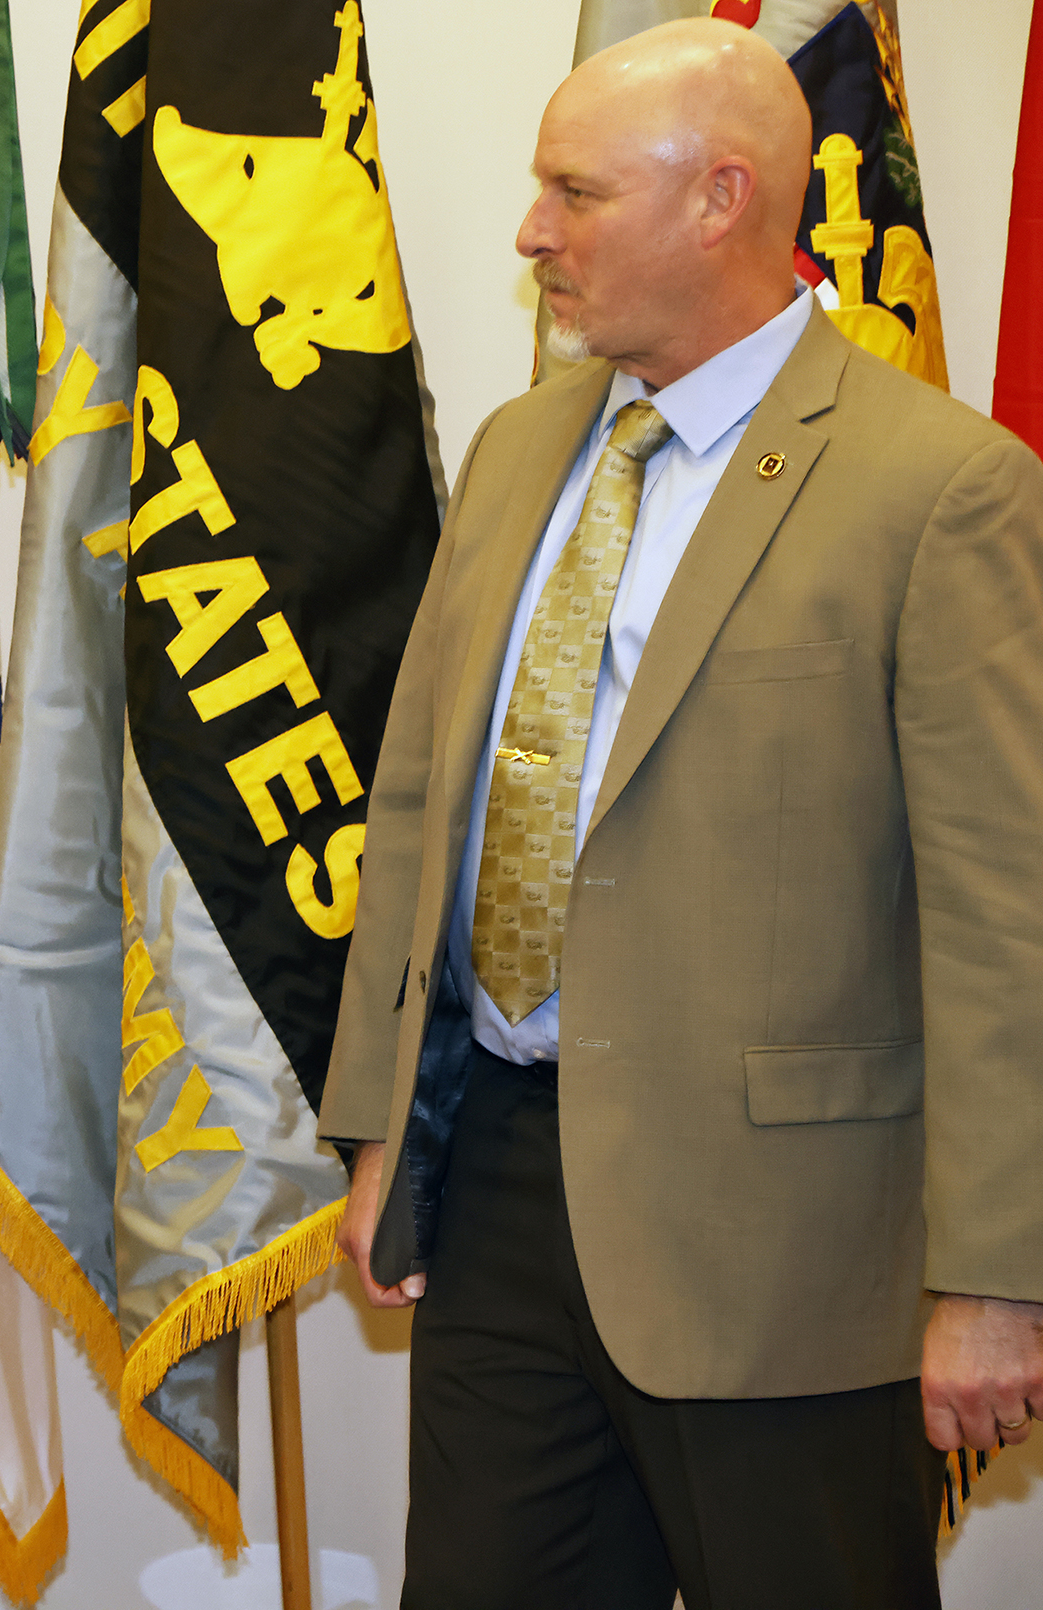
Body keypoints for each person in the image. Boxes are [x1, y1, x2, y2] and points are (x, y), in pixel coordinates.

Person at [320, 20, 1043, 1609]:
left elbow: (1006, 915)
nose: (531, 233)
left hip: (785, 1238)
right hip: (502, 1175)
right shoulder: (519, 453)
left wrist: (994, 1277)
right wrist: (383, 1126)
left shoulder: (943, 488)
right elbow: (429, 792)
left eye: (573, 193)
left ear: (723, 201)